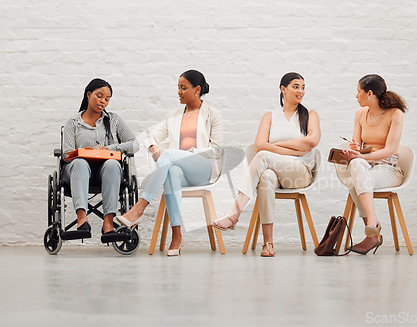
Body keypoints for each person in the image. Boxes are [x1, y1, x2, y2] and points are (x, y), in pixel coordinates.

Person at [116, 70, 223, 256]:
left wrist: (185, 154)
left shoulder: (213, 114)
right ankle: (177, 235)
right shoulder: (172, 115)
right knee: (171, 170)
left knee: (169, 157)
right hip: (181, 171)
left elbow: (217, 150)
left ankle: (139, 208)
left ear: (197, 89)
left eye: (184, 88)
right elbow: (150, 137)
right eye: (178, 88)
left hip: (205, 168)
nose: (179, 92)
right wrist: (153, 148)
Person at [213, 72, 321, 257]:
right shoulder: (270, 116)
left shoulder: (310, 115)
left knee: (263, 156)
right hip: (277, 173)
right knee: (266, 177)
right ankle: (268, 244)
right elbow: (259, 145)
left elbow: (312, 142)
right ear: (283, 89)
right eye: (296, 86)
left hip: (299, 172)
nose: (301, 91)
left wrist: (276, 146)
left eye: (303, 87)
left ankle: (235, 212)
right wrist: (294, 149)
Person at [336, 74, 407, 255]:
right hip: (367, 166)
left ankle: (371, 227)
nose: (356, 95)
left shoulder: (395, 113)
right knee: (356, 169)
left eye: (358, 91)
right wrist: (354, 150)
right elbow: (358, 145)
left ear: (369, 94)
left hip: (388, 168)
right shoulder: (360, 114)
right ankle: (372, 228)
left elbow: (390, 150)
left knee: (355, 177)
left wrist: (358, 156)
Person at [62, 78, 138, 242]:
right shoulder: (73, 122)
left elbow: (134, 143)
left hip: (105, 170)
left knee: (112, 164)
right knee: (80, 163)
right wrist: (83, 153)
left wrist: (110, 149)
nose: (103, 101)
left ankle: (108, 223)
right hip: (78, 171)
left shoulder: (114, 120)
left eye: (107, 99)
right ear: (88, 94)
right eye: (99, 96)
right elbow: (66, 154)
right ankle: (82, 220)